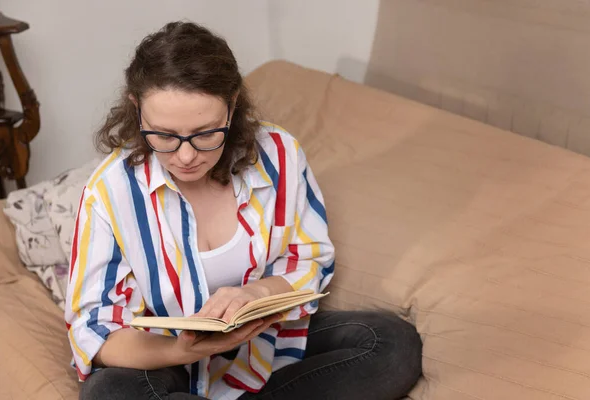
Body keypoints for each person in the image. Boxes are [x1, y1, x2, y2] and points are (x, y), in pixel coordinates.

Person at [65, 21, 422, 400]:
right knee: (109, 391)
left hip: (263, 342)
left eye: (205, 133)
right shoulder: (109, 192)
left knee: (391, 343)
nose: (186, 156)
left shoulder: (279, 154)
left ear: (232, 105)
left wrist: (257, 293)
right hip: (164, 356)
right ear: (137, 110)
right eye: (165, 136)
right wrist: (180, 350)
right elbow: (94, 330)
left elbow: (309, 260)